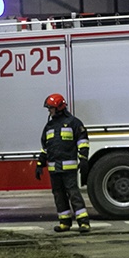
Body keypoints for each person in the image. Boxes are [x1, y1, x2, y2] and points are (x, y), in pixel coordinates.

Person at [35, 93, 91, 233]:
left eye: (51, 108)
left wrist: (83, 159)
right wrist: (40, 163)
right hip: (54, 169)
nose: (49, 111)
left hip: (69, 168)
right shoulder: (49, 126)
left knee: (74, 195)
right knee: (59, 196)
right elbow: (45, 146)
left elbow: (83, 142)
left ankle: (83, 223)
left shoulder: (73, 123)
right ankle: (64, 222)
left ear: (59, 107)